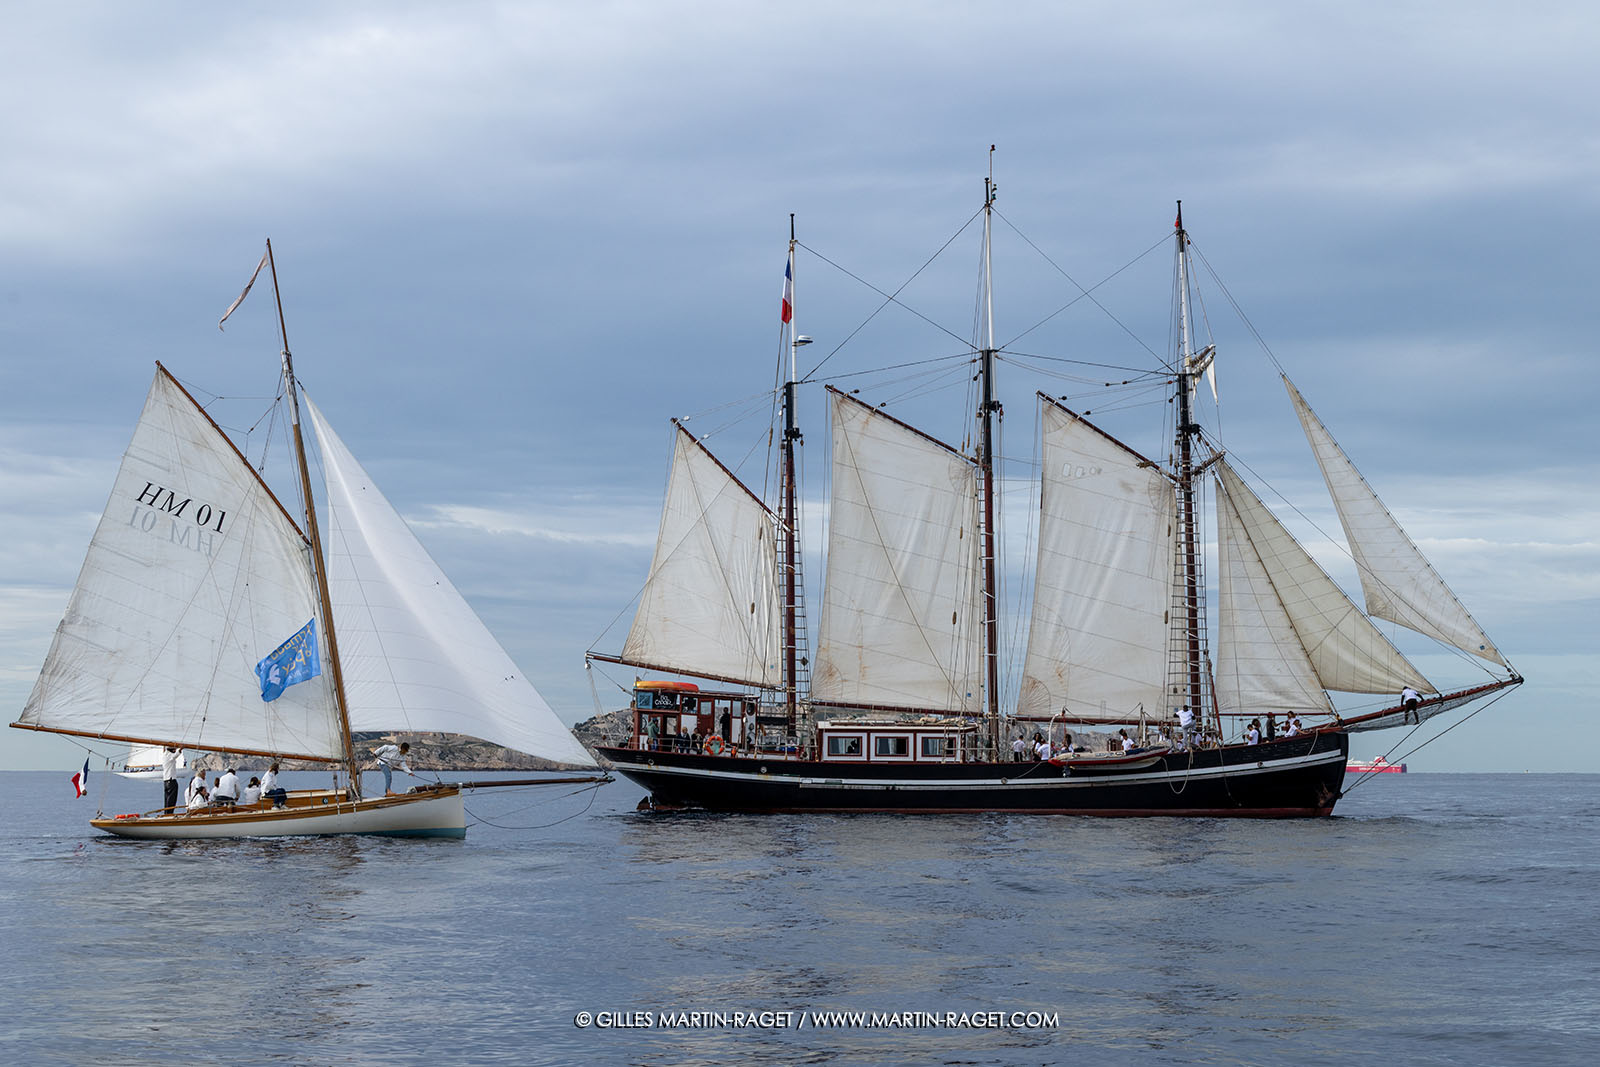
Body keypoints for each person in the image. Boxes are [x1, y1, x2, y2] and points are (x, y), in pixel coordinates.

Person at [160, 746, 181, 814]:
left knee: (167, 799)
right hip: (171, 780)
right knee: (172, 799)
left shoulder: (164, 755)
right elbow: (176, 754)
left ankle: (166, 813)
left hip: (166, 781)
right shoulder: (169, 755)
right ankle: (169, 814)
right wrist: (181, 748)